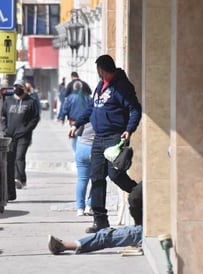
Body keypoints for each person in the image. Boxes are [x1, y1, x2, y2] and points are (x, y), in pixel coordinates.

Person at [69, 54, 142, 233]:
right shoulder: (100, 86)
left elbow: (135, 108)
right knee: (97, 178)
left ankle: (139, 194)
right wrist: (77, 123)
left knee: (115, 175)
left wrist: (129, 130)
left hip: (114, 137)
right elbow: (92, 108)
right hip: (98, 138)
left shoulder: (122, 86)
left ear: (101, 69)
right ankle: (100, 220)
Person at [48, 182, 143, 255]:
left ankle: (65, 246)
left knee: (108, 235)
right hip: (146, 227)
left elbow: (135, 198)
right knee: (108, 235)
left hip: (145, 230)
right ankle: (65, 246)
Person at [1, 79, 40, 190]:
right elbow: (3, 116)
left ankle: (20, 179)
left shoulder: (31, 102)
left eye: (19, 86)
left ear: (24, 88)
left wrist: (27, 129)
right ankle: (14, 178)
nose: (17, 89)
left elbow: (35, 118)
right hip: (10, 134)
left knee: (20, 157)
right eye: (15, 86)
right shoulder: (8, 101)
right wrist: (5, 129)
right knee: (11, 157)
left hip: (24, 135)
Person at [58, 80, 92, 152]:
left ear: (74, 88)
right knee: (84, 137)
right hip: (85, 121)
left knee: (74, 136)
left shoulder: (70, 97)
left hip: (74, 121)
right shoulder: (87, 96)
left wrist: (62, 117)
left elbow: (65, 108)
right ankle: (82, 153)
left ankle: (77, 153)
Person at [74, 122, 94, 216]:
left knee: (82, 179)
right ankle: (89, 206)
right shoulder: (104, 115)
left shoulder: (87, 115)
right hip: (95, 148)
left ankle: (80, 208)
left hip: (82, 147)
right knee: (97, 180)